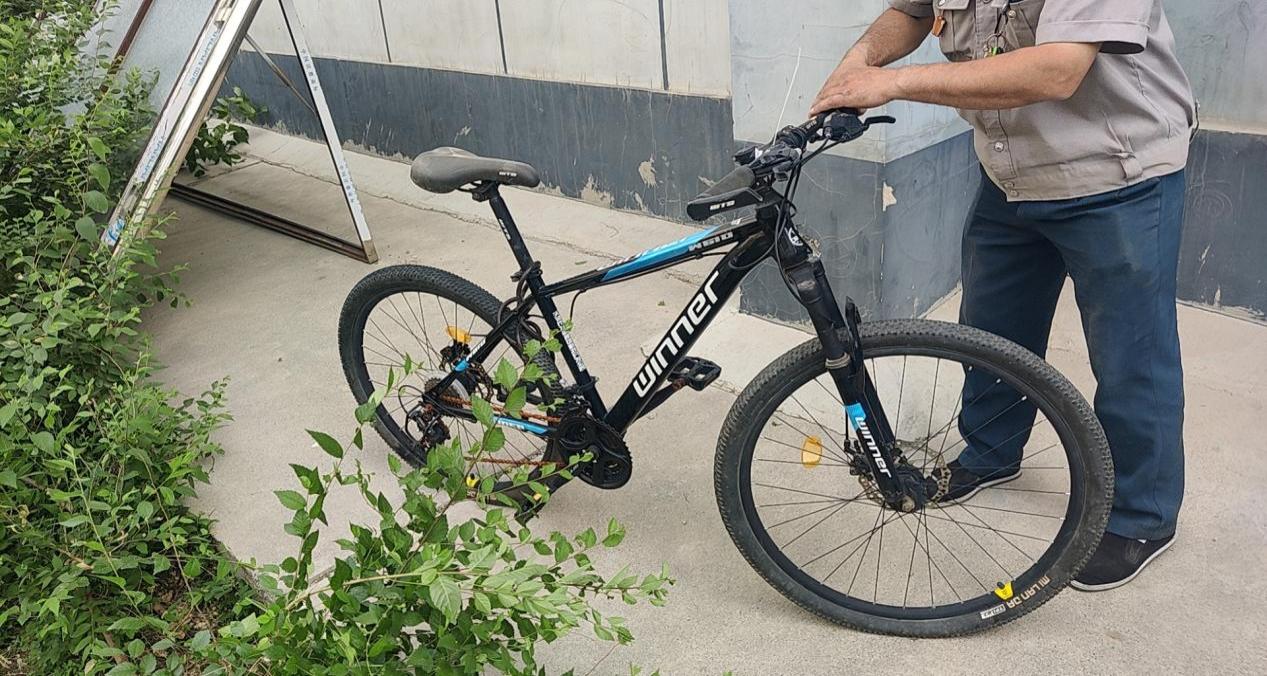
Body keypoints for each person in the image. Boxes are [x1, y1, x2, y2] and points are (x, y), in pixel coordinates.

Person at [811, 0, 1194, 591]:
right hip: (1010, 174)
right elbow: (910, 11)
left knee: (1132, 358)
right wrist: (858, 63)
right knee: (990, 331)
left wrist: (889, 84)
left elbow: (1058, 69)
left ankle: (1142, 517)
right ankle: (992, 452)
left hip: (1116, 174)